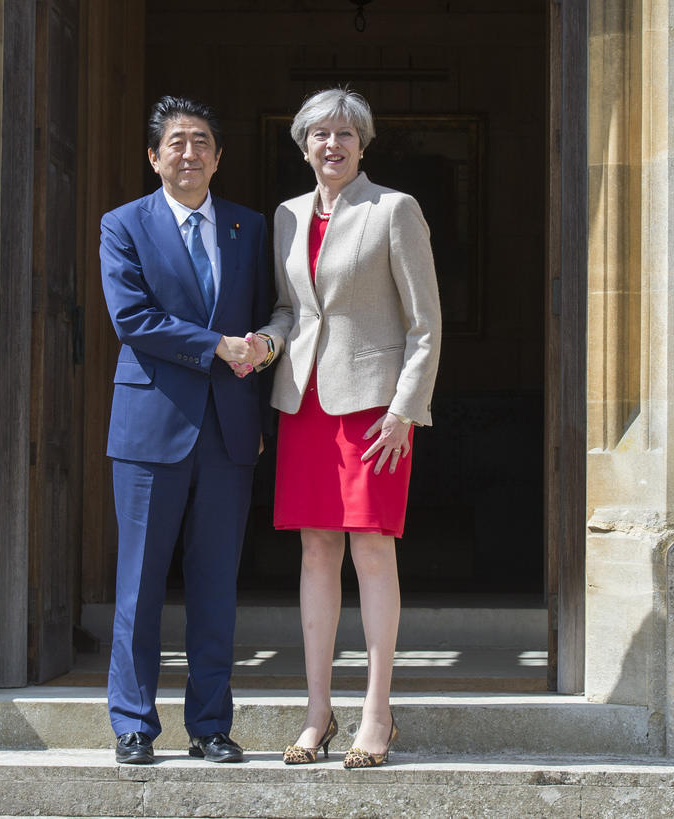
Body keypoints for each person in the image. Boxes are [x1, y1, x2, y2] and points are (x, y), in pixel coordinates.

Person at [247, 88, 442, 768]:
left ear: (363, 144)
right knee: (315, 552)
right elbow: (288, 310)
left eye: (345, 133)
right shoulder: (287, 216)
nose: (332, 144)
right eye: (320, 134)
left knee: (372, 551)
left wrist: (402, 410)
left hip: (373, 412)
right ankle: (317, 712)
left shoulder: (394, 210)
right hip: (303, 404)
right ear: (302, 145)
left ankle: (377, 712)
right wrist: (262, 347)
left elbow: (425, 324)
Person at [99, 96, 270, 766]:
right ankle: (134, 724)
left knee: (215, 584)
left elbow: (264, 318)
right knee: (140, 583)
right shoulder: (125, 225)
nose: (190, 153)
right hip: (149, 428)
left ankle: (210, 725)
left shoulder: (247, 228)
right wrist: (218, 347)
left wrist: (259, 354)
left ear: (219, 156)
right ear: (153, 156)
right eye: (176, 142)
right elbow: (132, 318)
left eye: (202, 141)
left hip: (229, 432)